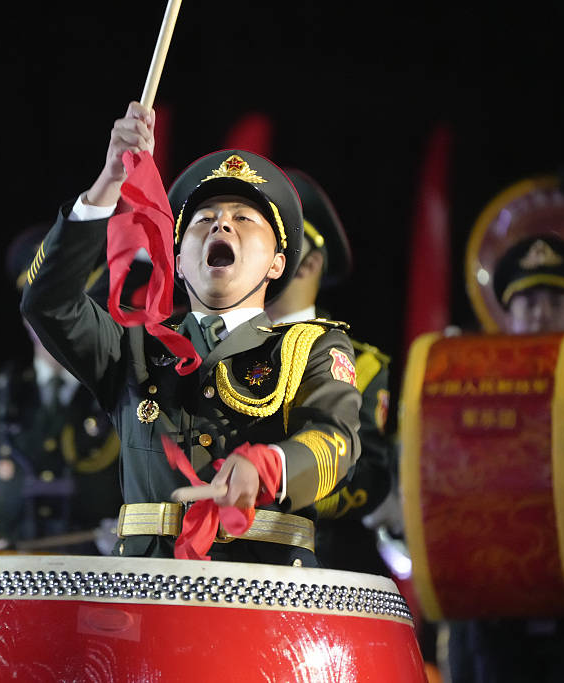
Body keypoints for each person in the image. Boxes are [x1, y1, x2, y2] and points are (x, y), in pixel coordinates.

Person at [20, 101, 362, 565]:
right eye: (203, 220)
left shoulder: (311, 348)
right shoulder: (131, 347)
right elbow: (48, 302)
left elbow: (336, 439)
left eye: (244, 218)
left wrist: (271, 466)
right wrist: (107, 185)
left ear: (278, 263)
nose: (221, 222)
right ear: (178, 262)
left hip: (264, 597)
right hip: (148, 598)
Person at [447, 233, 564, 682]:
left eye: (556, 301)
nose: (541, 315)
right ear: (507, 318)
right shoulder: (465, 399)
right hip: (494, 619)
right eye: (528, 303)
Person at [264, 168, 397, 576]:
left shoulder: (360, 364)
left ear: (307, 264)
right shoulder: (208, 344)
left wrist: (275, 488)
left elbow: (369, 481)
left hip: (315, 573)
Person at [0, 224, 124, 554]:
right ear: (26, 313)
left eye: (67, 304)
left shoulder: (123, 387)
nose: (52, 317)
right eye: (42, 302)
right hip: (13, 574)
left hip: (98, 572)